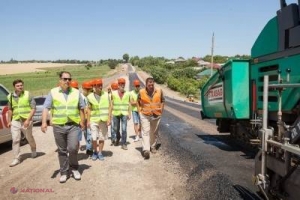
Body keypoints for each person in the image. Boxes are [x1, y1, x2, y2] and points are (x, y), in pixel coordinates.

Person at [41, 71, 85, 183]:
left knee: (73, 148)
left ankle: (74, 168)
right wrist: (44, 122)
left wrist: (83, 122)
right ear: (60, 80)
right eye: (65, 79)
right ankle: (64, 172)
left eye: (69, 79)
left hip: (73, 125)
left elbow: (81, 108)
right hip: (58, 126)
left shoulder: (76, 92)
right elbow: (46, 108)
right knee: (62, 150)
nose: (67, 81)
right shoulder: (53, 92)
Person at [7, 79, 37, 167]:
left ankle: (33, 148)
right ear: (14, 87)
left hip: (26, 120)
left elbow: (33, 108)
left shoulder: (28, 94)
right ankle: (16, 158)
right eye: (18, 86)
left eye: (21, 85)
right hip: (15, 120)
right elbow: (10, 110)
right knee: (15, 139)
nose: (20, 87)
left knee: (28, 137)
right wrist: (9, 121)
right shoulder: (10, 96)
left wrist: (28, 120)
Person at [137, 77, 165, 159]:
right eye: (149, 83)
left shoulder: (159, 91)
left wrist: (161, 110)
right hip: (145, 115)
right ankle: (146, 150)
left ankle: (152, 146)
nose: (151, 84)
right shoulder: (141, 92)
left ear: (154, 83)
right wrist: (139, 111)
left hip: (156, 115)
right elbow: (137, 101)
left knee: (154, 132)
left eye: (152, 83)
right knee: (145, 131)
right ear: (146, 84)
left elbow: (163, 100)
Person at [86, 79, 111, 161]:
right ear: (94, 86)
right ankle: (94, 152)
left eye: (101, 84)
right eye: (98, 85)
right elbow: (89, 109)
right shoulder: (89, 97)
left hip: (103, 120)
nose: (100, 86)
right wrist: (88, 121)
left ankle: (100, 153)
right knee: (93, 137)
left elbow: (110, 107)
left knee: (101, 137)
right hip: (94, 119)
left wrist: (109, 118)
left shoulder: (106, 95)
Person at [111, 78, 131, 150]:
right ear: (118, 85)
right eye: (121, 84)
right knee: (116, 128)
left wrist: (129, 113)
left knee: (124, 129)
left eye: (123, 84)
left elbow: (129, 104)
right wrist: (110, 113)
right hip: (116, 113)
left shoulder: (128, 93)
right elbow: (111, 104)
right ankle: (118, 137)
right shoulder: (113, 93)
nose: (122, 85)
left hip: (124, 113)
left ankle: (124, 143)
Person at [81, 80, 94, 156]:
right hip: (83, 118)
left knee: (89, 133)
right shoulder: (80, 97)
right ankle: (88, 146)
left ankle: (89, 149)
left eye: (90, 89)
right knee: (86, 133)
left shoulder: (91, 96)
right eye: (87, 89)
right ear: (83, 89)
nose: (89, 91)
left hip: (90, 118)